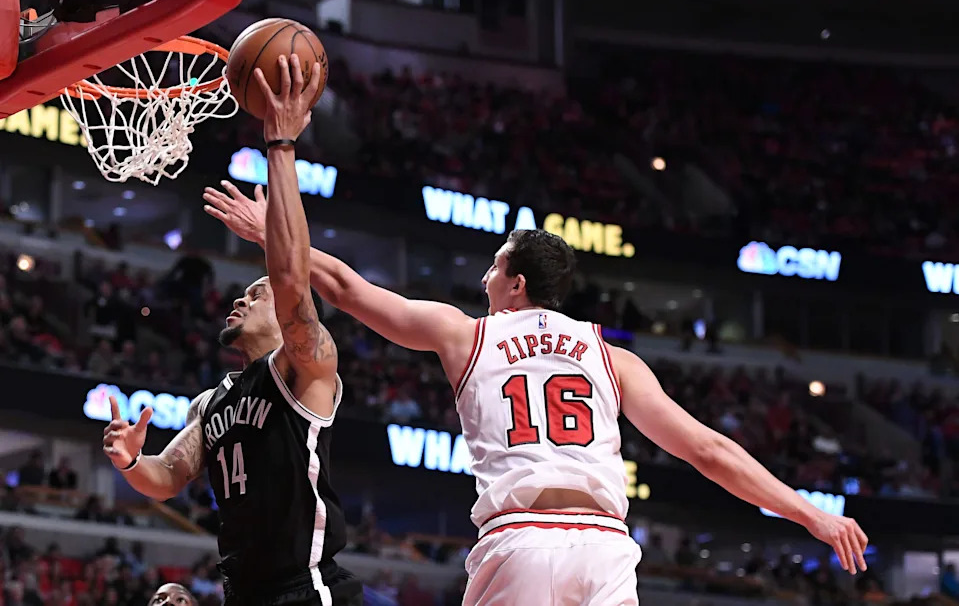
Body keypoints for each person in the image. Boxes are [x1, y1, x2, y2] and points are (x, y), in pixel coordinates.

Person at [204, 174, 869, 606]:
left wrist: (273, 235)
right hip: (604, 547)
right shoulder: (612, 359)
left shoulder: (465, 333)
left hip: (519, 539)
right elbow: (708, 451)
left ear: (515, 284)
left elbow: (346, 289)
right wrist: (809, 512)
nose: (485, 278)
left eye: (494, 267)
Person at [102, 54, 361, 606]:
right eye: (243, 294)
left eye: (256, 294)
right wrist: (128, 460)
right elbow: (168, 475)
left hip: (305, 589)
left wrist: (281, 147)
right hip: (242, 591)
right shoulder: (209, 403)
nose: (241, 299)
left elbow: (291, 281)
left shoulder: (302, 366)